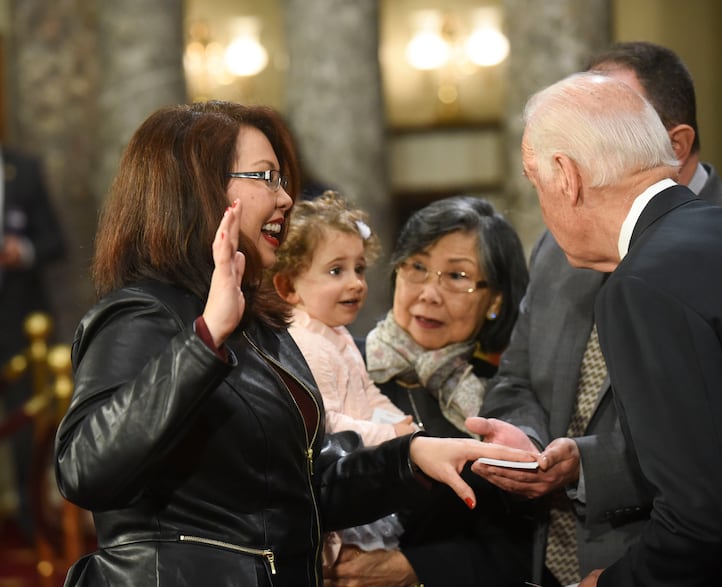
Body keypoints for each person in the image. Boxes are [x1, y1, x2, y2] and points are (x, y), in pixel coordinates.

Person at [52, 100, 535, 587]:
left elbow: (300, 490)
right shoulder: (145, 313)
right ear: (199, 189)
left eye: (283, 180)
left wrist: (408, 459)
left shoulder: (260, 326)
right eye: (266, 178)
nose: (285, 199)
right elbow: (85, 470)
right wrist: (204, 339)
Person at [469, 41, 722, 587]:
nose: (543, 206)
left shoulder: (644, 283)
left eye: (537, 184)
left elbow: (706, 517)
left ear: (566, 177)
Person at [326, 196, 533, 587]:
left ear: (496, 301)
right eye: (417, 267)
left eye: (457, 277)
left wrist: (412, 569)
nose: (429, 293)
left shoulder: (504, 397)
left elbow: (523, 548)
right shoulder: (337, 362)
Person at [270, 189, 416, 567]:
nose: (355, 283)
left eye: (359, 269)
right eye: (337, 270)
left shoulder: (337, 334)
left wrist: (401, 424)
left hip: (362, 465)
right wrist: (390, 437)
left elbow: (369, 396)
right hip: (337, 480)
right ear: (288, 287)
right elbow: (327, 422)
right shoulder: (306, 342)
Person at [0, 145, 67, 539]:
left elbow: (54, 240)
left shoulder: (21, 170)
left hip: (20, 327)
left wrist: (20, 251)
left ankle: (31, 522)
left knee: (27, 431)